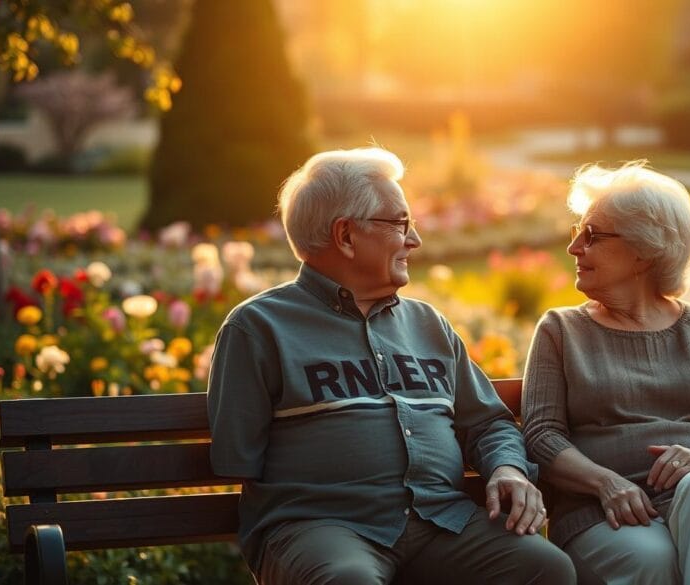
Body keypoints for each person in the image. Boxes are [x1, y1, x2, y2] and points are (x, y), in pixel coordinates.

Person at [207, 147, 575, 585]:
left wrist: (507, 468)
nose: (415, 241)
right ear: (345, 235)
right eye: (400, 224)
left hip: (441, 523)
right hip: (322, 527)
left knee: (546, 569)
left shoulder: (428, 324)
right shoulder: (258, 328)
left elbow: (488, 423)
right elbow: (237, 456)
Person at [521, 161, 690, 585]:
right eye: (577, 231)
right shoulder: (562, 330)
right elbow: (541, 437)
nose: (574, 247)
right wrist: (606, 484)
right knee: (654, 559)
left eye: (592, 235)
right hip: (609, 513)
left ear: (644, 250)